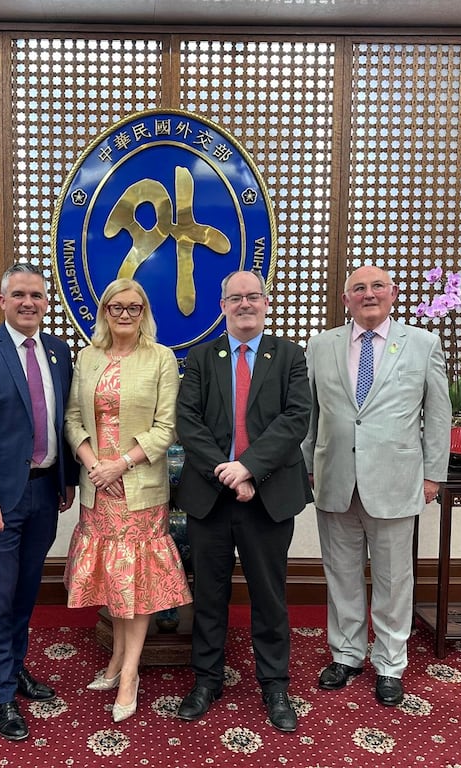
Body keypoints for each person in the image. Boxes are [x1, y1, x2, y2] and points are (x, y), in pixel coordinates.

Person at [302, 264, 450, 707]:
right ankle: (346, 654)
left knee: (392, 579)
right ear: (346, 299)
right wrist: (309, 467)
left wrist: (432, 475)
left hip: (395, 480)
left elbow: (438, 416)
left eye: (377, 286)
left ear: (393, 293)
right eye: (358, 288)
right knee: (341, 575)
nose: (369, 294)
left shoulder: (422, 345)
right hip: (334, 481)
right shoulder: (321, 345)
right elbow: (310, 414)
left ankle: (389, 663)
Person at [174, 269, 312, 732]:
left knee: (269, 597)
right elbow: (188, 423)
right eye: (236, 298)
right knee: (208, 595)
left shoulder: (290, 356)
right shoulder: (200, 358)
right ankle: (206, 680)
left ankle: (274, 684)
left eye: (253, 296)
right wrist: (228, 473)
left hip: (269, 496)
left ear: (265, 302)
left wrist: (249, 467)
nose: (245, 304)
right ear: (223, 306)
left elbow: (296, 420)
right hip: (211, 496)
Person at [0, 262, 78, 742]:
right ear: (3, 301)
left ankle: (16, 668)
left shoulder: (58, 351)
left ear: (47, 303)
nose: (29, 303)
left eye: (37, 296)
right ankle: (1, 693)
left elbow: (61, 419)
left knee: (26, 591)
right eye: (19, 294)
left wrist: (66, 480)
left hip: (45, 491)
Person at [63, 278, 192, 723]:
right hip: (97, 486)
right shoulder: (87, 357)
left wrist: (121, 464)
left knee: (134, 582)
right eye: (115, 306)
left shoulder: (159, 358)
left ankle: (131, 673)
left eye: (133, 308)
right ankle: (116, 661)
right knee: (112, 580)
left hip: (138, 486)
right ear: (103, 311)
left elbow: (167, 426)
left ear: (144, 313)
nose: (123, 314)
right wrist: (93, 463)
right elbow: (73, 417)